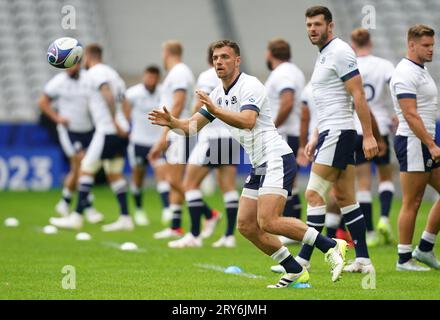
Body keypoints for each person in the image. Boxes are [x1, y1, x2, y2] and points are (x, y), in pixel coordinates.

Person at [149, 40, 347, 288]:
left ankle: (331, 246)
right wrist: (171, 122)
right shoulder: (218, 95)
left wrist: (215, 110)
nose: (219, 62)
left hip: (276, 157)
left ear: (237, 60)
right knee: (246, 225)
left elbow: (248, 120)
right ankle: (294, 270)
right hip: (260, 163)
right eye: (215, 58)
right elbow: (191, 127)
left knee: (269, 221)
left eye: (224, 57)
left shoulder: (249, 85)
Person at [297, 6, 378, 274]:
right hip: (331, 132)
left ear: (330, 26)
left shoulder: (340, 51)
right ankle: (364, 260)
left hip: (340, 132)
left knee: (313, 193)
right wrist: (316, 134)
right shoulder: (324, 55)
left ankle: (306, 258)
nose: (312, 29)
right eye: (309, 25)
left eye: (317, 24)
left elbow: (358, 95)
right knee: (345, 197)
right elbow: (330, 101)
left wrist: (368, 135)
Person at [50, 44, 132, 231]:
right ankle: (126, 218)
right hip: (120, 130)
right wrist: (124, 124)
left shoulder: (96, 73)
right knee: (114, 174)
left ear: (87, 57)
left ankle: (77, 216)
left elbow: (108, 96)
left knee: (85, 168)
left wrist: (114, 122)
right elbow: (125, 100)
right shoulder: (113, 73)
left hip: (108, 129)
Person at [168, 44, 239, 248]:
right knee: (228, 188)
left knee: (188, 184)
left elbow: (202, 105)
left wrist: (191, 113)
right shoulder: (236, 78)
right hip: (231, 136)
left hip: (212, 136)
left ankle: (195, 235)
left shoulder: (207, 76)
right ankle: (229, 236)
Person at [391, 24, 440, 271]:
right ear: (412, 45)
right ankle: (403, 258)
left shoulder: (420, 70)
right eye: (426, 45)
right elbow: (410, 115)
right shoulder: (405, 73)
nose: (431, 49)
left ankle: (425, 248)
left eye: (432, 45)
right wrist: (431, 144)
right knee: (413, 201)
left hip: (424, 141)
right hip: (414, 142)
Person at [38, 62, 102, 224]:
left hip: (87, 129)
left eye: (72, 65)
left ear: (79, 64)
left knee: (77, 168)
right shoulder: (59, 81)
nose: (68, 68)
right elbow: (43, 102)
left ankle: (65, 201)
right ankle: (86, 206)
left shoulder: (89, 79)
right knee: (84, 163)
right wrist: (57, 118)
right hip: (69, 130)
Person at [350, 28, 396, 247]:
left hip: (357, 128)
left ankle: (369, 232)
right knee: (386, 177)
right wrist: (398, 113)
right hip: (381, 127)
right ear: (371, 43)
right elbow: (397, 88)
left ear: (353, 44)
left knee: (363, 184)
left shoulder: (350, 65)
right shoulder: (384, 65)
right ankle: (385, 219)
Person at [149, 41, 195, 239]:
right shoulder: (178, 72)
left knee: (172, 179)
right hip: (177, 130)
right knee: (173, 179)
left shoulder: (178, 72)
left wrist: (165, 134)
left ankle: (208, 214)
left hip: (178, 131)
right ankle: (175, 226)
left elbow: (178, 102)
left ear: (166, 53)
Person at [265, 38, 305, 245]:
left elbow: (287, 101)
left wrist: (271, 126)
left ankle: (291, 230)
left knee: (284, 183)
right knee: (293, 184)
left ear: (269, 54)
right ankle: (295, 228)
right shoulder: (295, 70)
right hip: (292, 131)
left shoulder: (283, 73)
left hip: (286, 132)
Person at [123, 65, 171, 226]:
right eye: (148, 76)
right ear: (144, 76)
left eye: (154, 77)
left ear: (158, 78)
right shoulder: (132, 94)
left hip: (157, 143)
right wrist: (126, 127)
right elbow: (124, 111)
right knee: (138, 177)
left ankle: (166, 209)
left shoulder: (163, 92)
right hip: (138, 142)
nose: (151, 80)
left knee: (162, 174)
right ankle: (138, 209)